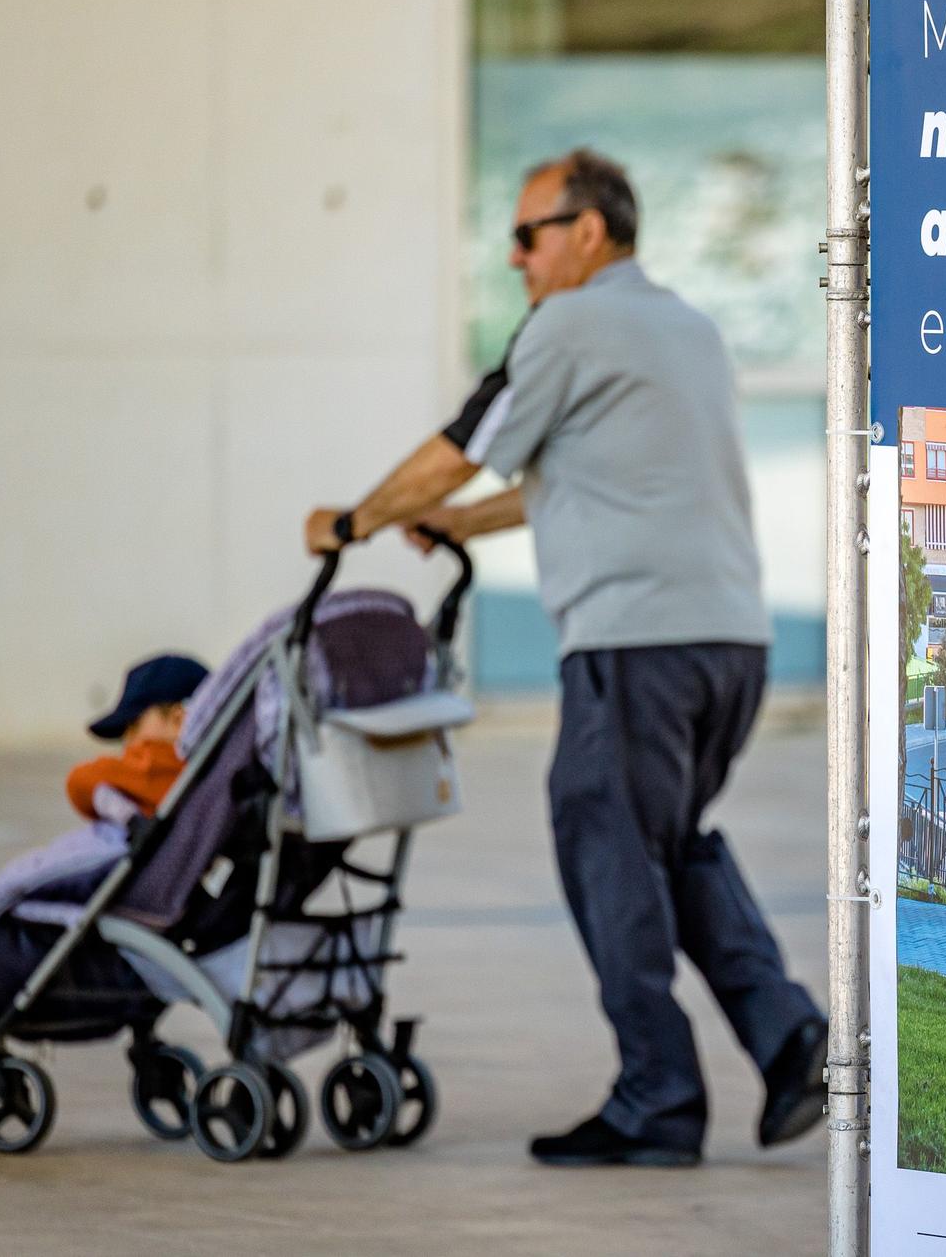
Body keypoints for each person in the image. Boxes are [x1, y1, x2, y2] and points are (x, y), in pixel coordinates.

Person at [302, 149, 826, 1168]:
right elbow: (576, 477)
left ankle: (657, 1096)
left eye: (528, 233)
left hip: (633, 646)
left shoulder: (567, 325)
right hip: (727, 645)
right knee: (666, 841)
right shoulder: (686, 329)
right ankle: (785, 1034)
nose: (514, 258)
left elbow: (465, 441)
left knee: (605, 849)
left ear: (589, 231)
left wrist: (356, 519)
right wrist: (460, 524)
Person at [65, 654, 209, 825]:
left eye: (134, 725)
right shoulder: (215, 770)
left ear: (177, 721)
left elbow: (80, 779)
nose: (128, 739)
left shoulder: (162, 771)